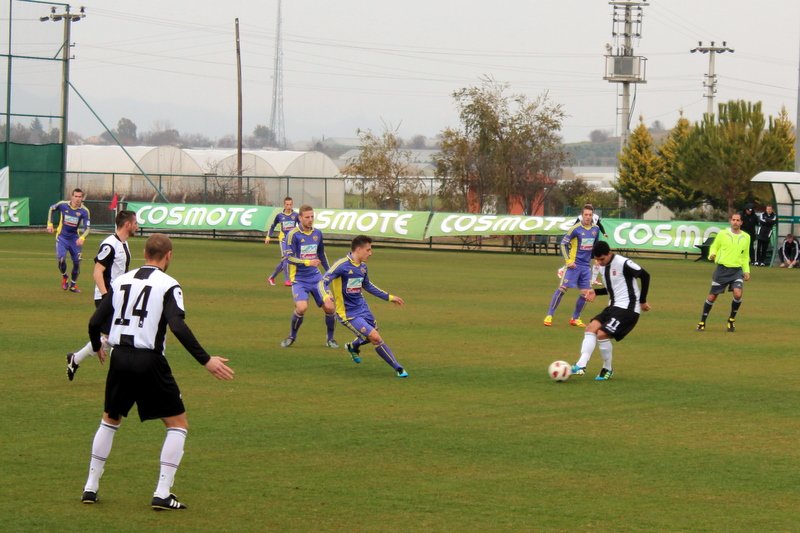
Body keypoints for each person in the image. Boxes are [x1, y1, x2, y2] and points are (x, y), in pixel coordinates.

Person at [81, 234, 234, 510]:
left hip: (119, 359)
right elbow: (177, 326)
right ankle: (163, 492)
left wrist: (96, 346)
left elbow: (94, 321)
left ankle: (90, 487)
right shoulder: (169, 285)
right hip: (148, 361)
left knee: (110, 420)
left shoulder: (121, 280)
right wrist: (206, 360)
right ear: (169, 256)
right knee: (178, 425)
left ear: (144, 253)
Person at [319, 235, 409, 378]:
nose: (370, 253)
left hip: (363, 308)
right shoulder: (341, 265)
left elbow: (368, 286)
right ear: (359, 249)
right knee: (375, 337)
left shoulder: (363, 267)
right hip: (348, 314)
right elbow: (322, 282)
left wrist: (390, 297)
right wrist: (326, 296)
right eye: (368, 250)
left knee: (372, 335)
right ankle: (398, 368)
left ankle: (353, 346)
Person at [66, 210, 138, 381]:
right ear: (127, 224)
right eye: (135, 223)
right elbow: (97, 272)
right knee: (117, 335)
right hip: (107, 297)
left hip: (117, 297)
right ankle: (121, 375)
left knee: (111, 336)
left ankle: (75, 359)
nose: (137, 226)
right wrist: (107, 297)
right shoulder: (109, 245)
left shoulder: (124, 244)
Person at [570, 240, 651, 380]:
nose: (600, 262)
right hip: (613, 306)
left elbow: (645, 275)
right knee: (590, 328)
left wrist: (642, 301)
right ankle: (581, 365)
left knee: (602, 334)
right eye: (597, 260)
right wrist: (596, 292)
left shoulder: (623, 262)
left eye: (602, 259)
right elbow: (612, 287)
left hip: (628, 308)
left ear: (609, 253)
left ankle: (607, 369)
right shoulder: (602, 266)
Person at [280, 204, 338, 348]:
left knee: (330, 307)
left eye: (312, 216)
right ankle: (292, 336)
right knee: (301, 308)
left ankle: (330, 339)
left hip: (316, 278)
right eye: (307, 217)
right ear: (300, 218)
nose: (310, 219)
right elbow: (288, 258)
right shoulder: (292, 235)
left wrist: (330, 272)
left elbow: (321, 255)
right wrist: (307, 262)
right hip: (299, 279)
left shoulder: (317, 233)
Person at [544, 204, 600, 327]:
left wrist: (597, 258)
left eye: (590, 215)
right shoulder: (575, 229)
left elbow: (595, 246)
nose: (587, 217)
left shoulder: (596, 229)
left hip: (586, 267)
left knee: (586, 293)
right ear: (582, 215)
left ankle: (575, 318)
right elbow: (563, 244)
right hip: (573, 266)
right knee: (562, 289)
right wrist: (568, 261)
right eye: (585, 215)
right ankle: (549, 315)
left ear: (592, 216)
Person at [696, 213, 750, 332]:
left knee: (738, 294)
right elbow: (714, 246)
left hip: (737, 270)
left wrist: (746, 271)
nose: (735, 222)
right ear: (730, 221)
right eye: (733, 220)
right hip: (722, 270)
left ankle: (731, 320)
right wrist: (712, 254)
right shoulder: (722, 234)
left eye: (738, 220)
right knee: (712, 296)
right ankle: (702, 321)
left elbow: (745, 256)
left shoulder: (746, 237)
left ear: (741, 222)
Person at [47, 188, 91, 292]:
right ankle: (64, 276)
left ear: (82, 198)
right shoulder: (63, 205)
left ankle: (73, 285)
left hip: (74, 239)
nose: (77, 199)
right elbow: (51, 209)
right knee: (61, 259)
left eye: (80, 197)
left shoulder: (84, 211)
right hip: (62, 237)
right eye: (75, 196)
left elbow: (87, 228)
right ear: (71, 196)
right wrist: (50, 224)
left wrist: (82, 237)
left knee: (77, 263)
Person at [265, 196, 299, 287]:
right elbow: (272, 226)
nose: (289, 206)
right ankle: (287, 280)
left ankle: (271, 277)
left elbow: (300, 227)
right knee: (286, 258)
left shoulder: (296, 215)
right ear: (284, 205)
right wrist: (268, 236)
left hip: (292, 240)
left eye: (290, 204)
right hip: (283, 239)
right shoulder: (280, 216)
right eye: (287, 204)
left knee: (286, 260)